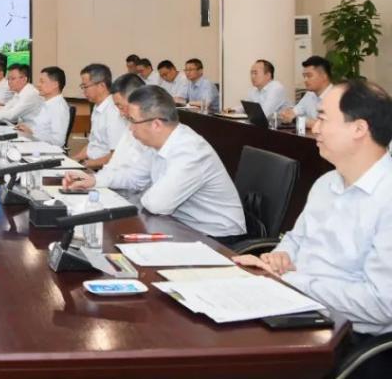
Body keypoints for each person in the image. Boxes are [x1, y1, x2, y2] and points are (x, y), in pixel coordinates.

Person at [233, 81, 392, 359]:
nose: (314, 128)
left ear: (359, 129)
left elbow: (381, 304)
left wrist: (291, 280)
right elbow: (295, 240)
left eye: (323, 118)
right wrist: (280, 256)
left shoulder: (386, 197)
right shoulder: (326, 182)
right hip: (298, 307)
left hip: (350, 338)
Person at [64, 85, 246, 241]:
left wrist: (140, 194)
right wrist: (94, 180)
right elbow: (134, 177)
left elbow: (156, 204)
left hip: (217, 237)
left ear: (156, 124)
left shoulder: (190, 151)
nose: (130, 128)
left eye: (132, 121)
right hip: (181, 225)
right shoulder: (158, 142)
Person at [96, 74, 154, 187]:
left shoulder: (151, 133)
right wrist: (95, 179)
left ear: (136, 101)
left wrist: (98, 180)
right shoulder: (131, 125)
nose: (121, 114)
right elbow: (114, 164)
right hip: (117, 186)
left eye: (121, 106)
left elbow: (137, 180)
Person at [73, 63, 127, 170]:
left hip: (105, 169)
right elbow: (93, 144)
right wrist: (75, 159)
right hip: (92, 165)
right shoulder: (98, 106)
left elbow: (117, 155)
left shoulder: (113, 111)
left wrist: (86, 165)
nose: (83, 90)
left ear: (101, 86)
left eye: (85, 86)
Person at [17, 66, 69, 147]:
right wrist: (27, 128)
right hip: (35, 143)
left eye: (42, 82)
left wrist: (32, 133)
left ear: (55, 85)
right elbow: (41, 129)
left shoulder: (59, 107)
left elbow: (58, 141)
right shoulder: (47, 103)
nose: (38, 85)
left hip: (45, 150)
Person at [279, 56, 334, 126]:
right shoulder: (309, 94)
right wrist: (286, 114)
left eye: (309, 76)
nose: (305, 80)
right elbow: (294, 113)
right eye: (304, 76)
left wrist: (297, 119)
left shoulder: (338, 97)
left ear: (324, 76)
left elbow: (327, 126)